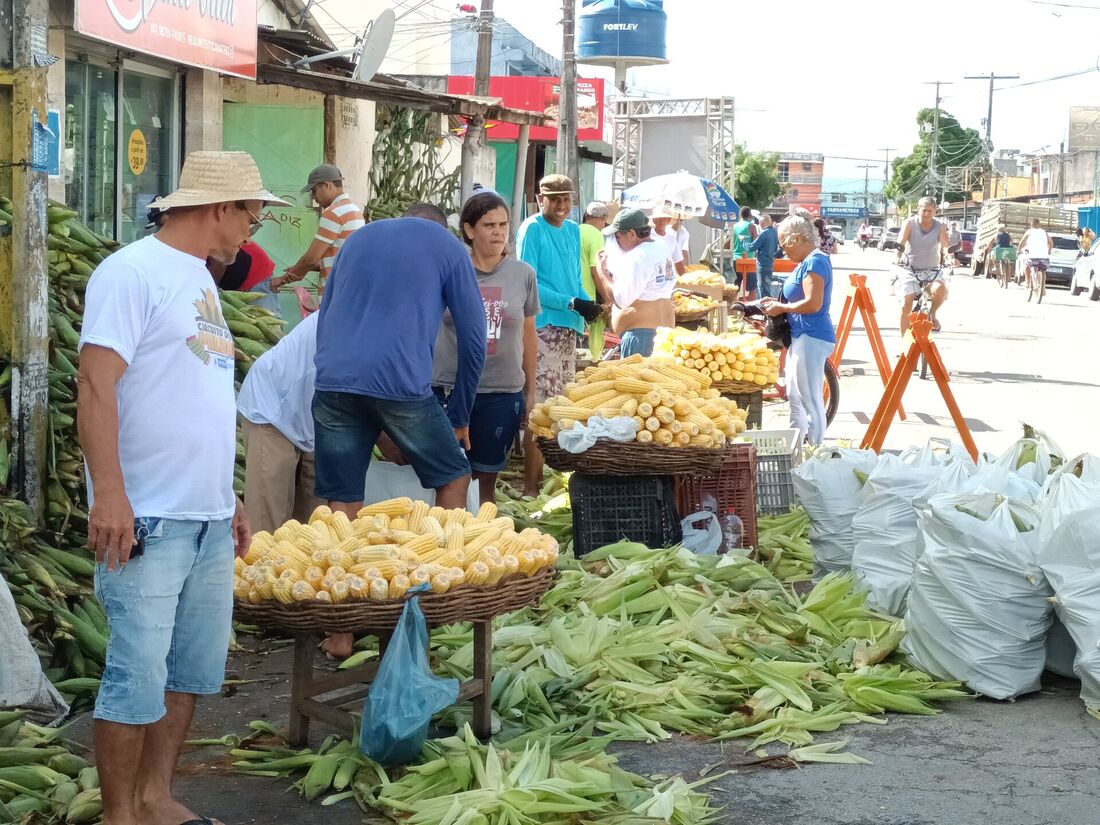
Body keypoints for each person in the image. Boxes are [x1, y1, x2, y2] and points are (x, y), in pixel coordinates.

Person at [77, 150, 277, 825]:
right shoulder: (130, 273)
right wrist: (110, 494)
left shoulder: (200, 279)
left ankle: (156, 796)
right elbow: (95, 384)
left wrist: (229, 496)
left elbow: (193, 392)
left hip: (207, 516)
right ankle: (119, 815)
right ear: (220, 208)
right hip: (150, 517)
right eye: (253, 212)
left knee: (188, 673)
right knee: (135, 678)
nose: (255, 226)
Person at [312, 203, 485, 521]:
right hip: (399, 382)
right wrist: (459, 417)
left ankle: (342, 566)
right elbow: (474, 341)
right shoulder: (449, 247)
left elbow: (326, 314)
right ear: (442, 227)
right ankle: (442, 567)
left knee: (343, 499)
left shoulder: (357, 239)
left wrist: (328, 372)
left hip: (332, 381)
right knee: (454, 476)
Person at [433, 192, 540, 505]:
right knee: (447, 478)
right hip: (449, 391)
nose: (498, 231)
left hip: (501, 393)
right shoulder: (449, 271)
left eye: (503, 224)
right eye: (489, 224)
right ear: (469, 230)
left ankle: (483, 540)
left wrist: (530, 391)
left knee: (484, 484)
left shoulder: (523, 275)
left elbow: (529, 336)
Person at [515, 174, 599, 497]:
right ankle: (529, 487)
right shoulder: (532, 229)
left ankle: (546, 480)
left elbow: (574, 279)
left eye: (567, 199)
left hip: (567, 329)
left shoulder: (574, 231)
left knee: (558, 410)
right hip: (542, 327)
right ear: (540, 200)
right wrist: (570, 302)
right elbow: (529, 282)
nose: (562, 206)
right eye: (555, 199)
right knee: (538, 410)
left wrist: (586, 306)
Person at [237, 311, 324, 534]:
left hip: (315, 419)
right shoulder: (354, 309)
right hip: (273, 406)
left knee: (316, 526)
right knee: (268, 526)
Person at [761, 214, 835, 446]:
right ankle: (795, 449)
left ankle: (814, 451)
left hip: (812, 335)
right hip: (800, 335)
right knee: (795, 396)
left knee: (810, 399)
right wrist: (776, 303)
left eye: (783, 246)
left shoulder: (815, 262)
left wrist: (782, 306)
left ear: (795, 239)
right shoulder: (807, 262)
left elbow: (813, 304)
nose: (783, 252)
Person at [591, 207, 676, 358]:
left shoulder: (638, 256)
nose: (617, 241)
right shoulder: (660, 246)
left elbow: (621, 300)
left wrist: (602, 273)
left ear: (631, 234)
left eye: (617, 236)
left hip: (641, 337)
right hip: (663, 333)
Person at [273, 164, 365, 293]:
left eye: (314, 191)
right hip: (347, 287)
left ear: (327, 185)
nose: (314, 199)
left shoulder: (333, 213)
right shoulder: (354, 210)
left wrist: (284, 279)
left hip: (333, 291)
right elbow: (336, 258)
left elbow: (311, 259)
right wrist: (302, 268)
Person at [894, 196, 950, 335]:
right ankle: (904, 343)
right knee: (905, 303)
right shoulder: (909, 223)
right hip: (910, 269)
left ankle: (932, 314)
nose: (926, 214)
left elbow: (945, 246)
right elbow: (900, 243)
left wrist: (951, 257)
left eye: (930, 211)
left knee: (940, 289)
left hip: (932, 270)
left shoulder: (940, 226)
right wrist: (897, 257)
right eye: (923, 210)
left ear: (935, 211)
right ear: (918, 210)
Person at [579, 202, 610, 358]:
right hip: (588, 296)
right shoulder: (596, 235)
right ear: (602, 219)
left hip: (572, 294)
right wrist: (607, 298)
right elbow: (595, 271)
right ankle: (594, 359)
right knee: (589, 346)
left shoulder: (574, 230)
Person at [1018, 217, 1053, 303]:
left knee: (1026, 266)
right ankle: (1043, 286)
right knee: (1043, 270)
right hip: (1044, 256)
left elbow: (1021, 243)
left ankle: (1028, 282)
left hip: (1032, 255)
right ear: (1039, 224)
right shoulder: (1044, 232)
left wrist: (1019, 250)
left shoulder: (1029, 232)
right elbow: (1051, 242)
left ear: (1031, 225)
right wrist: (1049, 250)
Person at [747, 214, 781, 298]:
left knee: (763, 289)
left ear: (764, 222)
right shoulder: (774, 232)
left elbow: (752, 247)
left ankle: (765, 308)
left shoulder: (764, 233)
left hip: (762, 264)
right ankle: (768, 306)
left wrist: (743, 241)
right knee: (766, 287)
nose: (759, 224)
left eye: (760, 222)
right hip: (769, 263)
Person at [651, 207, 687, 277]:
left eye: (664, 218)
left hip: (668, 280)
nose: (661, 221)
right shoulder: (647, 237)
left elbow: (678, 262)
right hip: (652, 279)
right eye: (658, 218)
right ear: (654, 220)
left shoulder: (672, 240)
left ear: (669, 220)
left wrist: (684, 279)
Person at [730, 206, 758, 295]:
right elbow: (756, 243)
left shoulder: (734, 226)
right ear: (750, 215)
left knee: (735, 288)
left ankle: (733, 306)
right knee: (752, 290)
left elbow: (728, 243)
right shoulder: (752, 226)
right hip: (748, 260)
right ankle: (749, 308)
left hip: (735, 260)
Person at [985, 224, 1015, 289]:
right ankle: (1008, 277)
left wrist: (989, 249)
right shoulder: (1009, 234)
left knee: (992, 255)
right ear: (1004, 229)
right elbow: (1012, 242)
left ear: (998, 229)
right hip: (1008, 250)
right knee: (1009, 263)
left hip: (999, 250)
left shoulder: (996, 234)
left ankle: (996, 267)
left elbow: (990, 243)